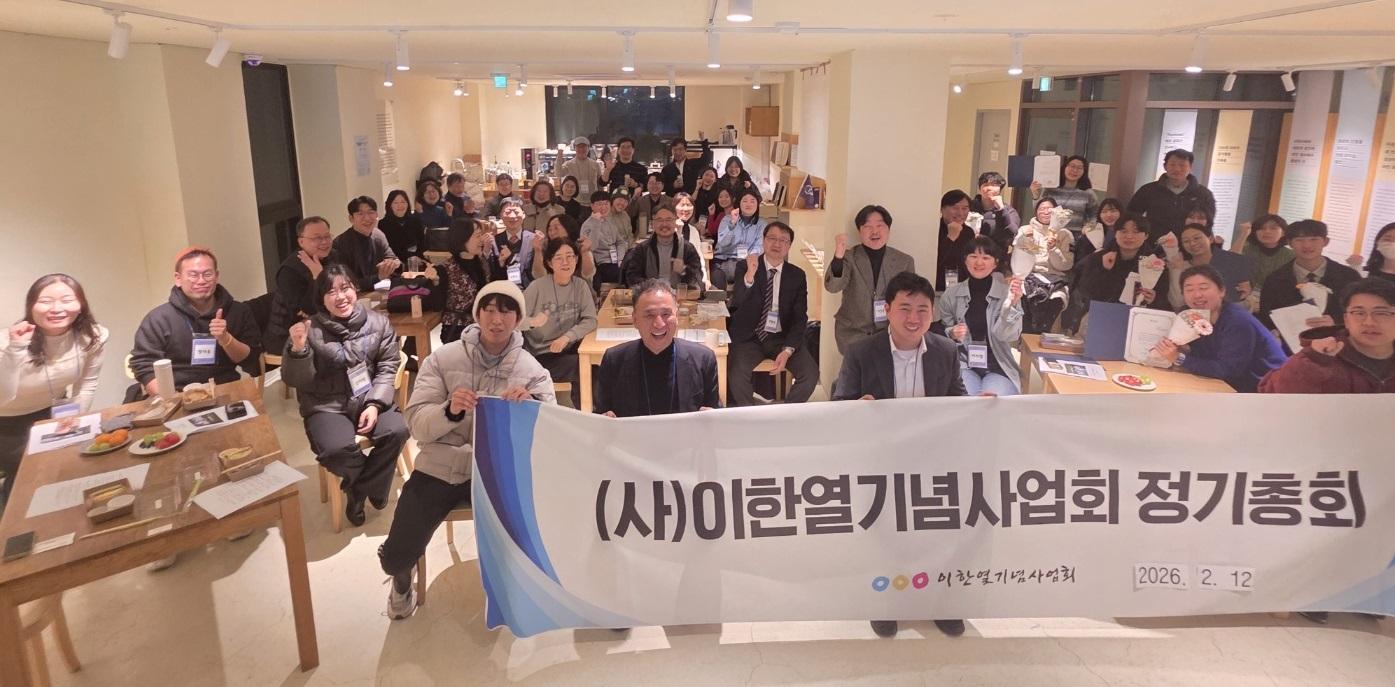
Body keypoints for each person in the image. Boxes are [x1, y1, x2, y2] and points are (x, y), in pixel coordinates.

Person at [380, 280, 556, 619]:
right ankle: (401, 578)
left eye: (506, 311)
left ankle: (515, 585)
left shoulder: (530, 370)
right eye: (488, 310)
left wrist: (531, 405)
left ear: (518, 319)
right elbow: (416, 423)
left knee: (532, 536)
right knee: (396, 554)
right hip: (440, 467)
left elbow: (551, 431)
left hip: (498, 470)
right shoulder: (443, 359)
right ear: (476, 314)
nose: (497, 319)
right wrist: (449, 411)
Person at [832, 270, 968, 639]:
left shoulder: (945, 351)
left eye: (922, 309)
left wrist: (982, 409)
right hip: (882, 460)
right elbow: (840, 404)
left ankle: (940, 602)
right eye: (905, 308)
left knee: (937, 533)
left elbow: (958, 401)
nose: (913, 317)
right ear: (887, 310)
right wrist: (856, 408)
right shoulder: (861, 352)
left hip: (932, 460)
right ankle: (886, 600)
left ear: (933, 313)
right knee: (887, 535)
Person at [281, 264, 407, 527]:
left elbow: (387, 367)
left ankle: (359, 490)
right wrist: (299, 350)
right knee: (335, 450)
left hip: (368, 397)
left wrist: (374, 404)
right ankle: (373, 484)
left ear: (355, 289)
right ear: (321, 298)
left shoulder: (378, 322)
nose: (340, 297)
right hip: (326, 405)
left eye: (345, 288)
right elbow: (296, 380)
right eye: (330, 292)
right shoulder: (309, 330)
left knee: (397, 431)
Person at [1, 274, 107, 509]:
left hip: (55, 411)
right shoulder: (8, 341)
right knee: (26, 481)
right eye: (46, 301)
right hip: (7, 422)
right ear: (31, 306)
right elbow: (3, 396)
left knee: (69, 468)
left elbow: (87, 384)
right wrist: (16, 349)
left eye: (67, 300)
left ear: (80, 304)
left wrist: (75, 415)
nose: (57, 309)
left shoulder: (92, 336)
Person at [130, 247, 261, 398]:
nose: (201, 281)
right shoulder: (158, 318)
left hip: (224, 391)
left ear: (216, 276)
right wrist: (173, 398)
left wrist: (226, 339)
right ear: (178, 278)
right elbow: (143, 364)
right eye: (193, 275)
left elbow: (251, 359)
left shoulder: (238, 312)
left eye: (207, 274)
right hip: (176, 395)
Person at [594, 280, 721, 417]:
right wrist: (603, 419)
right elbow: (599, 415)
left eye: (666, 314)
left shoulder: (704, 359)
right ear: (635, 320)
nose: (659, 324)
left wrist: (714, 417)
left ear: (677, 317)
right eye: (649, 315)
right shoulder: (614, 360)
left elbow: (716, 413)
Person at [1150, 265, 1285, 393]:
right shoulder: (1192, 317)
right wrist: (1181, 349)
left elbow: (1228, 370)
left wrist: (1179, 358)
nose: (1197, 295)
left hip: (1267, 390)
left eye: (1203, 288)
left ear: (1222, 291)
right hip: (1228, 386)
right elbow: (1207, 356)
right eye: (1189, 290)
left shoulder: (1237, 321)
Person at [727, 222, 818, 405]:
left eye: (783, 240)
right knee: (736, 375)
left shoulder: (797, 275)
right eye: (772, 238)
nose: (777, 244)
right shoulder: (746, 266)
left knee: (810, 374)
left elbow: (800, 317)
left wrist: (788, 349)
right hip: (750, 338)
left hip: (782, 338)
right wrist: (750, 276)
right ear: (763, 240)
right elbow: (737, 302)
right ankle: (751, 415)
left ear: (789, 246)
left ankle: (785, 414)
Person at [1259, 278, 1395, 393]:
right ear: (1346, 320)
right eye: (1359, 313)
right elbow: (1271, 393)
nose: (1369, 322)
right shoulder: (1321, 355)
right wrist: (1312, 361)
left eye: (1381, 313)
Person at [938, 236, 1025, 395]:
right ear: (965, 260)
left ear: (995, 263)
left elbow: (1008, 336)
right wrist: (951, 332)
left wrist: (1011, 305)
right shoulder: (950, 295)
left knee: (993, 402)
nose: (979, 262)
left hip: (998, 365)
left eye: (986, 257)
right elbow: (943, 332)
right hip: (964, 364)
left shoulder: (1008, 294)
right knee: (966, 400)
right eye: (973, 256)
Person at [826, 205, 916, 354]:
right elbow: (833, 287)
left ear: (888, 229)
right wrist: (838, 256)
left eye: (880, 226)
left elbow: (910, 300)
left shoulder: (904, 261)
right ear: (859, 231)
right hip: (853, 333)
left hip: (890, 334)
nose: (874, 231)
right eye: (868, 227)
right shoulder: (849, 257)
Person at [1062, 215, 1171, 334]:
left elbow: (1163, 299)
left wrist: (1154, 298)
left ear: (1146, 236)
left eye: (1136, 232)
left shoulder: (1155, 265)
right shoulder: (1099, 258)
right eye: (1123, 231)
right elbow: (1085, 292)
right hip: (1100, 318)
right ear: (1115, 233)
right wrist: (1104, 270)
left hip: (1138, 322)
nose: (1129, 236)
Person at [524, 238, 598, 408]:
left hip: (570, 349)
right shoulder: (537, 287)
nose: (566, 262)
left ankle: (589, 413)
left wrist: (567, 337)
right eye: (559, 258)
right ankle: (589, 414)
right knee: (584, 367)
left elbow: (590, 319)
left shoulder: (580, 285)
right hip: (542, 356)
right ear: (550, 263)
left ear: (576, 259)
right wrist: (533, 322)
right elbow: (514, 321)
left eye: (570, 256)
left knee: (598, 364)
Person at [1258, 219, 1362, 337]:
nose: (1307, 245)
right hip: (1291, 344)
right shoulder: (1275, 279)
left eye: (1314, 239)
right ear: (1289, 243)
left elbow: (1360, 314)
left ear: (1326, 241)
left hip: (1338, 341)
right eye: (1299, 240)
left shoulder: (1349, 277)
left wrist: (1336, 323)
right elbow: (1266, 318)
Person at [265, 216, 342, 355]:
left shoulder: (333, 256)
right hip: (290, 334)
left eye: (327, 236)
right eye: (317, 238)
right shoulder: (289, 271)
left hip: (326, 323)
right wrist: (318, 277)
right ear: (301, 241)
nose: (324, 242)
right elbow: (309, 310)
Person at [1127, 149, 1217, 241]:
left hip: (1189, 244)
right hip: (1153, 243)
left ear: (1190, 167)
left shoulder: (1203, 194)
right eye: (1172, 164)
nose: (1177, 169)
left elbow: (1208, 223)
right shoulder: (1148, 190)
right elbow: (1132, 216)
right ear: (1165, 166)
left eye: (1182, 165)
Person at [1014, 197, 1074, 334]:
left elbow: (1066, 265)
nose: (1046, 212)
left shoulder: (1065, 234)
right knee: (1021, 295)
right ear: (1036, 211)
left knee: (1056, 298)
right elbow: (1018, 261)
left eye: (1050, 209)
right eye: (1042, 209)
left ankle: (1042, 334)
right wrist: (1027, 241)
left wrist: (1053, 249)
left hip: (1055, 278)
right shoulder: (1025, 230)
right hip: (1030, 276)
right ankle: (1025, 336)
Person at [441, 220, 502, 345]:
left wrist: (500, 264)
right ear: (462, 238)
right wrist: (435, 282)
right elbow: (437, 304)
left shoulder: (482, 262)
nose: (481, 240)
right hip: (457, 329)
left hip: (483, 326)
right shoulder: (446, 268)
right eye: (477, 235)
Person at [1169, 222, 1253, 304]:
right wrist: (1177, 270)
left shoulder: (1229, 262)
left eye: (1197, 238)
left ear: (1211, 239)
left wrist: (1246, 292)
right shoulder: (1182, 266)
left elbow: (1242, 296)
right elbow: (1177, 302)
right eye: (1186, 241)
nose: (1192, 243)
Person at [622, 206, 704, 289]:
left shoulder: (687, 248)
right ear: (653, 224)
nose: (664, 224)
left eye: (669, 220)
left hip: (678, 295)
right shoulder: (642, 249)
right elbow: (632, 278)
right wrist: (653, 286)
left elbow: (697, 278)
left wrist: (684, 270)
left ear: (675, 223)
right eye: (660, 220)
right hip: (651, 294)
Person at [334, 196, 402, 291]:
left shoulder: (378, 235)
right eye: (360, 214)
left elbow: (392, 258)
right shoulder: (341, 243)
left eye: (371, 212)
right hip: (354, 294)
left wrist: (393, 263)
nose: (367, 218)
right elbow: (347, 282)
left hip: (377, 291)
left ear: (377, 215)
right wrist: (378, 277)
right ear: (351, 218)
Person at [712, 190, 766, 290]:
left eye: (752, 201)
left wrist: (749, 259)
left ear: (757, 205)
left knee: (751, 277)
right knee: (717, 278)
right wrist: (732, 224)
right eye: (745, 201)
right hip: (724, 261)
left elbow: (760, 246)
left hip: (747, 263)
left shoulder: (761, 224)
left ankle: (738, 300)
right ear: (739, 204)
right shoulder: (727, 219)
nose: (748, 204)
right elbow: (723, 243)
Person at [1031, 155, 1098, 235]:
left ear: (1084, 172)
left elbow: (1094, 215)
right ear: (1064, 167)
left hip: (1075, 237)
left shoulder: (1088, 193)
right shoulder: (1050, 189)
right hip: (1050, 235)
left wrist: (1088, 227)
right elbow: (1039, 211)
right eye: (1072, 166)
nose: (1075, 170)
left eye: (1080, 168)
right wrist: (1035, 194)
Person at [580, 190, 631, 285]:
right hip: (601, 264)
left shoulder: (609, 221)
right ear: (592, 206)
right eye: (600, 204)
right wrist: (596, 222)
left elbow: (620, 242)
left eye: (606, 203)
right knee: (627, 274)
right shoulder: (587, 225)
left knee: (637, 266)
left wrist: (620, 259)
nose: (603, 207)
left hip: (616, 260)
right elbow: (591, 247)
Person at [531, 214, 595, 281]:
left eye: (556, 228)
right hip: (551, 286)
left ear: (568, 228)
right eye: (550, 229)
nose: (552, 233)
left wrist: (585, 252)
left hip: (579, 286)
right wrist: (538, 251)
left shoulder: (581, 245)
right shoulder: (544, 246)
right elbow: (539, 276)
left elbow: (588, 274)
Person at [937, 190, 976, 292]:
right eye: (955, 208)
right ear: (942, 209)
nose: (960, 213)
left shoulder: (968, 232)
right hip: (937, 286)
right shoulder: (935, 229)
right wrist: (951, 237)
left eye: (965, 208)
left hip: (962, 287)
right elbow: (936, 259)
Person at [970, 171, 1020, 249]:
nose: (989, 188)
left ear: (1000, 189)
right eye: (985, 185)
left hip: (995, 252)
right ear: (980, 188)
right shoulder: (969, 207)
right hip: (970, 252)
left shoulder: (1009, 211)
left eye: (994, 185)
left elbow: (1011, 234)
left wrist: (1001, 209)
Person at [494, 198, 536, 288]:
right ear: (501, 215)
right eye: (508, 212)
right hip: (503, 289)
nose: (512, 216)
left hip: (529, 289)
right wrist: (501, 263)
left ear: (523, 214)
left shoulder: (534, 239)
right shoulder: (494, 241)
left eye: (516, 212)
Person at [1071, 198, 1123, 269]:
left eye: (1113, 211)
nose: (1109, 215)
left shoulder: (1127, 235)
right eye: (1104, 211)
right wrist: (1094, 256)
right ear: (1099, 214)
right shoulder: (1090, 234)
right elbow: (1078, 265)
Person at [673, 193, 710, 288]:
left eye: (689, 205)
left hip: (692, 275)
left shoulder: (693, 230)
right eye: (682, 205)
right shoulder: (668, 228)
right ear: (674, 207)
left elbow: (699, 256)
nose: (686, 209)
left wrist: (705, 278)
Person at [628, 172, 678, 241]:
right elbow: (630, 213)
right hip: (643, 237)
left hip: (664, 235)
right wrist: (634, 198)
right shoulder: (640, 200)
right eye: (651, 183)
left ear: (663, 185)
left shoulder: (670, 201)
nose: (654, 186)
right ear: (647, 185)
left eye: (657, 183)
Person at [379, 189, 424, 260]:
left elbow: (422, 243)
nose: (400, 205)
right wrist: (409, 258)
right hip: (397, 261)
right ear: (390, 205)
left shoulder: (415, 221)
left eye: (403, 202)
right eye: (395, 203)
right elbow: (390, 249)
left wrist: (419, 257)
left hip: (418, 259)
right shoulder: (383, 224)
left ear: (407, 204)